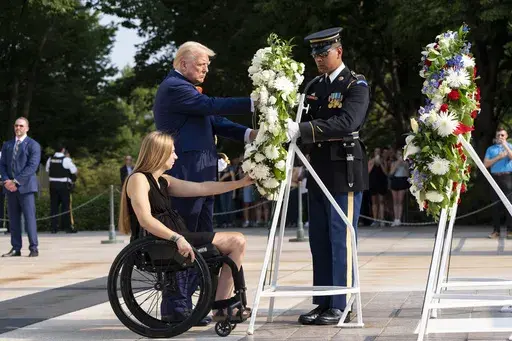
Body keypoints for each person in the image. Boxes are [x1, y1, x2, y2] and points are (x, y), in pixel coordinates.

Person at [153, 41, 256, 325]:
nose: (206, 70)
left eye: (207, 66)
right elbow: (210, 106)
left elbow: (216, 120)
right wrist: (253, 102)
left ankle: (199, 303)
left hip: (202, 175)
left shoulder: (188, 90)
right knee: (185, 240)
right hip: (186, 175)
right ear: (184, 63)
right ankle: (176, 308)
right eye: (202, 65)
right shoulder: (174, 87)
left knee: (203, 241)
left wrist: (250, 134)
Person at [119, 131, 252, 322]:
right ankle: (221, 308)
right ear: (160, 152)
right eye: (172, 152)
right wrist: (177, 238)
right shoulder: (138, 179)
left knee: (236, 243)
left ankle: (222, 306)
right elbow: (145, 219)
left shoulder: (163, 180)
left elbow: (203, 188)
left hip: (173, 238)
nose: (176, 156)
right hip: (160, 243)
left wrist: (241, 183)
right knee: (236, 240)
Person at [286, 27, 370, 325]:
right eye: (315, 54)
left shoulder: (355, 84)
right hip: (317, 169)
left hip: (343, 169)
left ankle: (342, 304)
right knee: (319, 239)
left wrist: (305, 130)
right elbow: (304, 119)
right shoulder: (316, 85)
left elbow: (348, 121)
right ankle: (324, 303)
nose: (319, 59)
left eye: (324, 53)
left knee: (340, 237)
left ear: (339, 51)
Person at [0, 117, 41, 257]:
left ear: (27, 128)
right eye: (16, 126)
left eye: (21, 126)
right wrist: (6, 180)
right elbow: (2, 164)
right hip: (10, 188)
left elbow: (32, 167)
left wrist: (16, 182)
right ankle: (16, 248)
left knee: (29, 219)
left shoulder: (33, 145)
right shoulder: (7, 145)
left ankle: (33, 248)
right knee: (13, 219)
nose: (18, 128)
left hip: (26, 188)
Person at [484, 127, 512, 239]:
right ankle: (496, 231)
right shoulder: (491, 149)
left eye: (502, 135)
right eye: (498, 135)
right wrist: (499, 157)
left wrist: (505, 145)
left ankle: (510, 230)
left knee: (509, 204)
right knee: (495, 205)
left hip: (508, 177)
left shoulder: (510, 147)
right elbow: (486, 164)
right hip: (495, 178)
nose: (500, 137)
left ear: (506, 136)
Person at [45, 143, 78, 234]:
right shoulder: (66, 160)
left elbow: (47, 170)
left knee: (54, 206)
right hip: (63, 186)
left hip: (52, 185)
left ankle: (54, 227)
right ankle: (67, 227)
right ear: (63, 150)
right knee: (66, 206)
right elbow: (74, 171)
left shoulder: (50, 159)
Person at [389, 150, 410, 226]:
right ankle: (395, 218)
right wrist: (397, 164)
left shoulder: (406, 163)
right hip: (395, 180)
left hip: (402, 180)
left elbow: (407, 174)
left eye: (401, 154)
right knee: (395, 201)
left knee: (400, 201)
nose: (399, 156)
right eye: (398, 154)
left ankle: (399, 219)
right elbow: (391, 173)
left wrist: (404, 164)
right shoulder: (394, 163)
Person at [368, 148, 388, 226]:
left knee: (381, 201)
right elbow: (368, 171)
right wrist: (373, 162)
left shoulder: (383, 161)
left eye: (379, 152)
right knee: (374, 202)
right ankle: (375, 219)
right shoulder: (371, 161)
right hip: (373, 183)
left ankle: (382, 219)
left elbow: (386, 172)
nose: (378, 153)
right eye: (376, 151)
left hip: (381, 182)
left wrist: (381, 163)